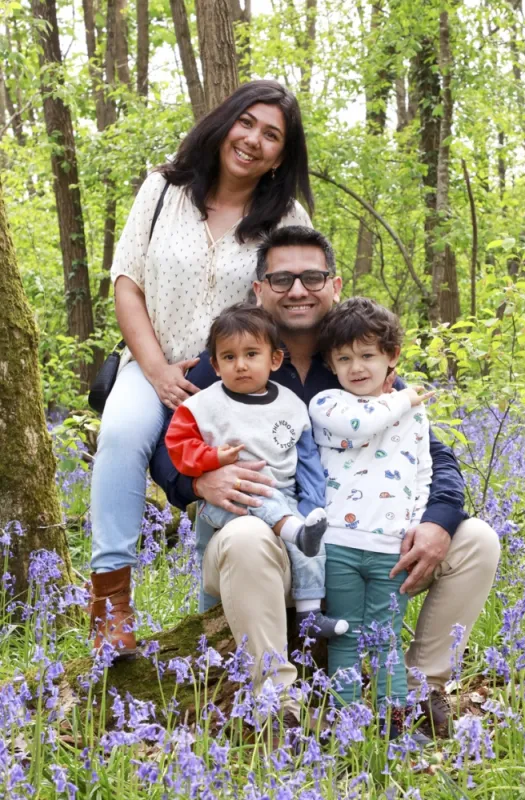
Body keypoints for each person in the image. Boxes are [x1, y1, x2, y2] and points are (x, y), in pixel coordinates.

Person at [150, 225, 501, 729]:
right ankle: (278, 705)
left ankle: (419, 693)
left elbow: (433, 454)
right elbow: (167, 447)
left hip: (358, 545)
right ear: (260, 289)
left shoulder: (355, 362)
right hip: (264, 552)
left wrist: (439, 521)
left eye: (312, 277)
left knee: (478, 539)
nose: (298, 290)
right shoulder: (227, 362)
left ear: (334, 286)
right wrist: (196, 483)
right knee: (248, 533)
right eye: (282, 278)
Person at [89, 80, 315, 656]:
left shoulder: (285, 214)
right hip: (154, 363)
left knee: (244, 482)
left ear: (281, 156)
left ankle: (235, 613)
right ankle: (111, 601)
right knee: (119, 435)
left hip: (240, 378)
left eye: (272, 136)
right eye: (248, 123)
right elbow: (127, 282)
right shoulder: (164, 188)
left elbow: (294, 297)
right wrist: (158, 368)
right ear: (226, 121)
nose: (253, 141)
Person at [165, 303, 347, 637]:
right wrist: (212, 459)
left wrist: (311, 503)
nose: (241, 365)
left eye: (251, 354)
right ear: (216, 365)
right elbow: (177, 447)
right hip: (230, 503)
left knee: (311, 548)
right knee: (261, 499)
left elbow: (306, 460)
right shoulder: (203, 406)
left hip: (287, 501)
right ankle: (292, 530)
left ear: (274, 360)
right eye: (229, 357)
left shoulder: (291, 405)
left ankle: (309, 615)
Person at [309, 296, 434, 737]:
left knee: (386, 641)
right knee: (343, 635)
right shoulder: (327, 404)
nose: (356, 367)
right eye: (344, 358)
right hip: (339, 544)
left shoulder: (414, 414)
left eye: (367, 355)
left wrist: (418, 522)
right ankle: (347, 724)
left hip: (391, 548)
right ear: (331, 363)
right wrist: (406, 397)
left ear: (391, 356)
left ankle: (392, 726)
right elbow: (361, 426)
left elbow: (423, 471)